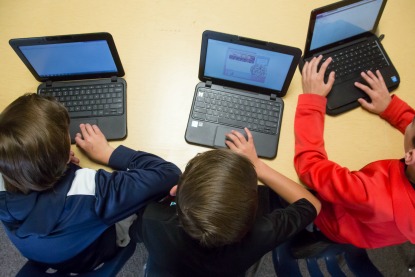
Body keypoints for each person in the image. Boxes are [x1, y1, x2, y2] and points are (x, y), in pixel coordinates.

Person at [0, 93, 181, 273]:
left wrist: (48, 163)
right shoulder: (93, 191)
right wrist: (108, 153)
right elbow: (169, 174)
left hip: (40, 250)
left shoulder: (7, 160)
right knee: (154, 203)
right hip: (88, 254)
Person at [136, 127, 321, 276]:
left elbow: (136, 231)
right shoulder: (262, 233)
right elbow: (313, 205)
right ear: (256, 206)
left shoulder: (153, 218)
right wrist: (259, 166)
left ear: (175, 190)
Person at [294, 55, 415, 249]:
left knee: (279, 190)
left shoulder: (371, 194)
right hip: (378, 231)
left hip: (336, 220)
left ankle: (311, 236)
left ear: (410, 156)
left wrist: (312, 100)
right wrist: (393, 110)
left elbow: (309, 167)